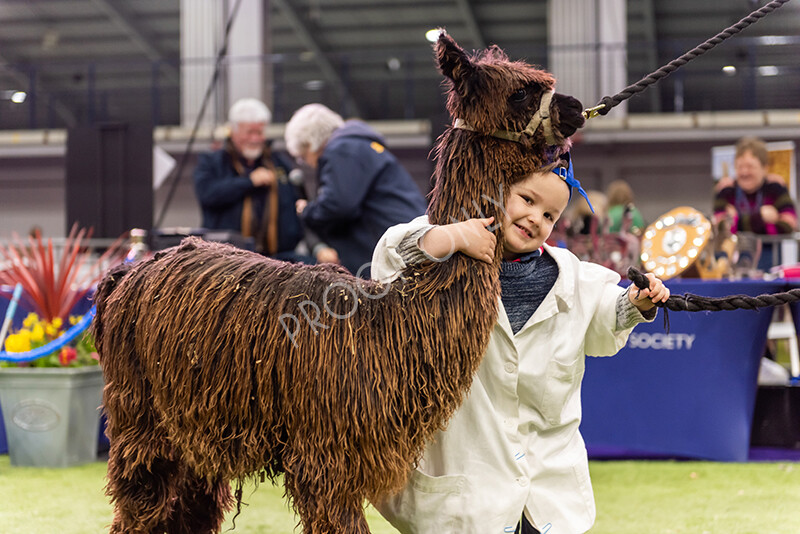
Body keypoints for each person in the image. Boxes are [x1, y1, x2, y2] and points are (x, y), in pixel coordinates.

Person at [370, 154, 670, 534]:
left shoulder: (572, 277)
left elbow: (607, 316)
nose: (536, 219)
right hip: (466, 493)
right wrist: (456, 235)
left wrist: (637, 303)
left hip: (545, 493)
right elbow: (393, 256)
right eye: (527, 200)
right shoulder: (447, 260)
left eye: (550, 216)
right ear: (497, 190)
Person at [284, 103, 428, 277]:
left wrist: (307, 210)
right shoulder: (360, 146)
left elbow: (339, 204)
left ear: (310, 144)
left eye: (304, 157)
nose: (309, 164)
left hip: (397, 250)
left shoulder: (341, 150)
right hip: (412, 242)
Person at [193, 98, 334, 263]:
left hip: (278, 259)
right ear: (233, 131)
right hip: (226, 262)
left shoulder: (278, 163)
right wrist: (248, 182)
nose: (255, 139)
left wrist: (318, 246)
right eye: (249, 132)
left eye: (259, 132)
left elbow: (300, 207)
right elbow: (207, 194)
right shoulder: (213, 162)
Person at [713, 136, 797, 270]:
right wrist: (762, 219)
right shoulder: (726, 191)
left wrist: (737, 220)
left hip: (770, 268)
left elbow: (789, 225)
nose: (744, 172)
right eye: (740, 167)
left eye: (750, 166)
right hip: (732, 269)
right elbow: (720, 228)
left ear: (765, 168)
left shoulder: (776, 188)